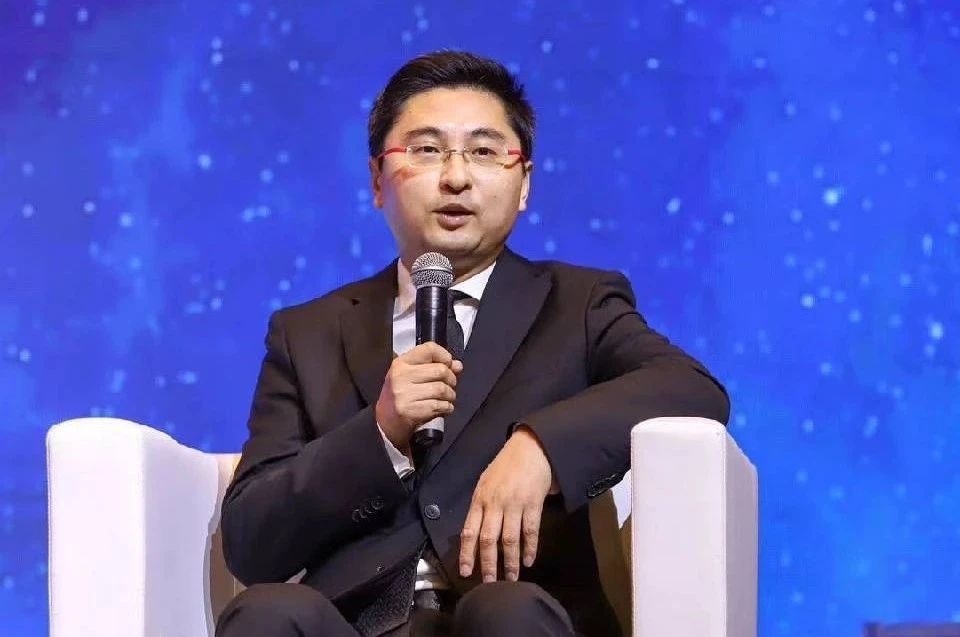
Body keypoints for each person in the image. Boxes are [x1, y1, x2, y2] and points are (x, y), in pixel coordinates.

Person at [215, 50, 730, 637]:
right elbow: (251, 540)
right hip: (350, 624)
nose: (455, 178)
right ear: (378, 180)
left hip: (511, 616)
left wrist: (541, 447)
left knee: (506, 611)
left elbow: (691, 389)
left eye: (484, 152)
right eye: (426, 150)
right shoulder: (307, 332)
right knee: (266, 612)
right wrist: (379, 434)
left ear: (524, 183)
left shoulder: (578, 303)